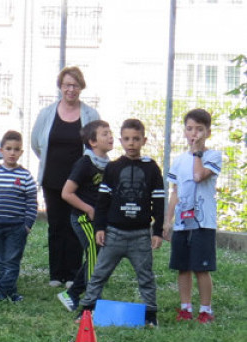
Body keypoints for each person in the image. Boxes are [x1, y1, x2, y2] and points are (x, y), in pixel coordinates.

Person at [77, 119, 165, 327]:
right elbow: (103, 201)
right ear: (121, 141)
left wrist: (158, 231)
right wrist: (100, 227)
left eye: (136, 139)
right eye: (126, 139)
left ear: (143, 140)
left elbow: (159, 201)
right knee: (99, 274)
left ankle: (150, 315)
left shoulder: (152, 168)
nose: (131, 143)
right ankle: (87, 310)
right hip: (114, 233)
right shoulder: (113, 168)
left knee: (146, 277)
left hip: (140, 235)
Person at [31, 66, 101, 288]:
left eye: (75, 85)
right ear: (60, 86)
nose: (71, 89)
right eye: (67, 85)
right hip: (52, 179)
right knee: (56, 225)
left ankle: (72, 274)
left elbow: (96, 143)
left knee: (76, 225)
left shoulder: (91, 114)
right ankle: (56, 274)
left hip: (79, 181)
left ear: (81, 87)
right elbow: (36, 143)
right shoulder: (46, 113)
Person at [164, 109, 222, 323]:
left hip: (203, 223)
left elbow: (198, 176)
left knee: (201, 268)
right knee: (183, 267)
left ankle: (205, 310)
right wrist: (167, 220)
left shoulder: (212, 156)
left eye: (199, 129)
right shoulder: (178, 161)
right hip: (182, 223)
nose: (194, 134)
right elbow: (175, 192)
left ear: (208, 132)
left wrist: (198, 153)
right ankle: (185, 307)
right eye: (189, 129)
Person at [56, 120, 113, 311]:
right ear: (93, 141)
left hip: (100, 221)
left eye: (110, 132)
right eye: (104, 133)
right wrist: (88, 209)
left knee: (97, 255)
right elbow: (67, 193)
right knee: (95, 254)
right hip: (83, 219)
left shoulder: (109, 166)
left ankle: (73, 293)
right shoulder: (85, 163)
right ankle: (90, 297)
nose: (110, 136)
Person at [0, 131, 38, 302]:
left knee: (12, 259)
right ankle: (10, 291)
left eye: (16, 149)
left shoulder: (26, 176)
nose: (12, 153)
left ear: (21, 152)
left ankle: (2, 292)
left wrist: (27, 224)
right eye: (8, 149)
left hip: (16, 227)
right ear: (1, 151)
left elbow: (31, 203)